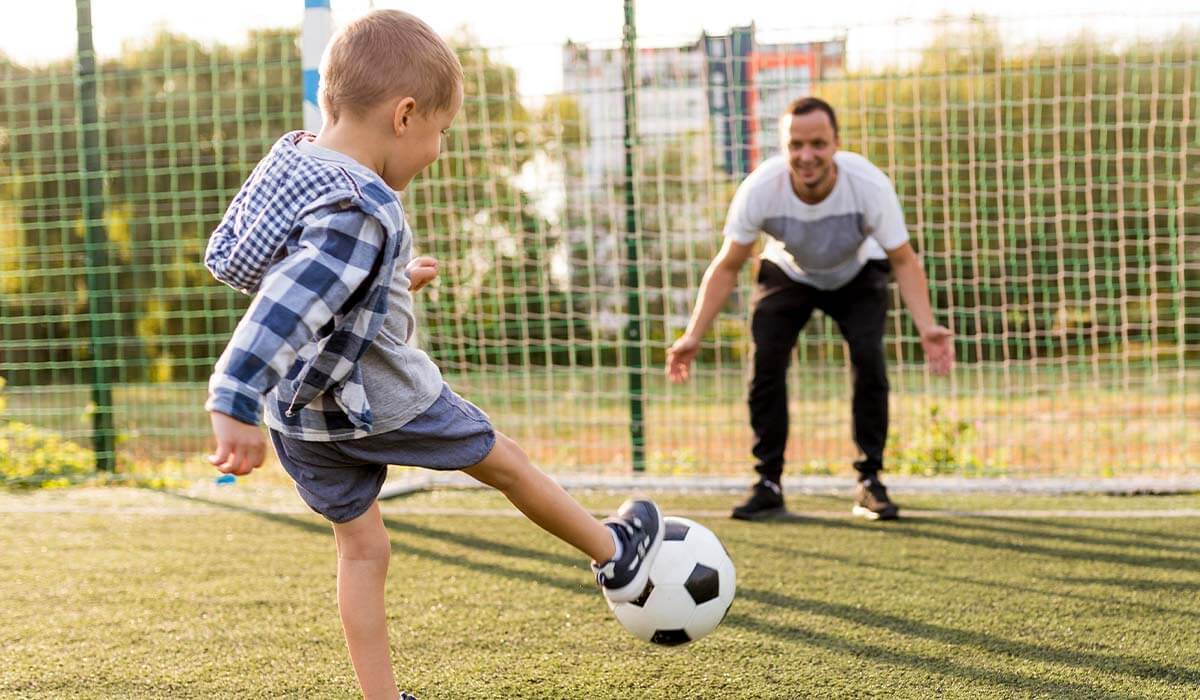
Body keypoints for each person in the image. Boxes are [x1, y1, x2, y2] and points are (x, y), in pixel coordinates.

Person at [202, 11, 662, 699]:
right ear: (405, 115)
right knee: (503, 460)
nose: (438, 149)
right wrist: (232, 396)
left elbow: (266, 262)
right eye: (441, 132)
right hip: (376, 398)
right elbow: (287, 303)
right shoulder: (359, 207)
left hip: (301, 423)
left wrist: (386, 277)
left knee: (362, 550)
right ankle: (615, 554)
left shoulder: (294, 165)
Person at [666, 96, 954, 522]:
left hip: (857, 271)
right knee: (765, 364)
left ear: (836, 143)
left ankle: (870, 481)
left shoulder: (868, 185)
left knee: (869, 360)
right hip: (789, 271)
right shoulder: (761, 189)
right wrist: (693, 334)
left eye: (817, 144)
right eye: (795, 145)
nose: (806, 156)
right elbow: (727, 266)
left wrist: (927, 326)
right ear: (783, 146)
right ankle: (768, 483)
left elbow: (903, 259)